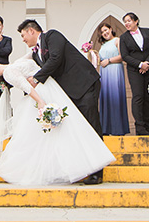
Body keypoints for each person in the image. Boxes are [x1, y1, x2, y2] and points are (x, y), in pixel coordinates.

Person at [0, 57, 115, 185]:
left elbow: (29, 56)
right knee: (58, 131)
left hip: (50, 87)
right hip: (43, 92)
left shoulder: (12, 66)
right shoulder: (8, 73)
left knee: (59, 131)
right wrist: (41, 102)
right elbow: (27, 88)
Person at [17, 18, 105, 184]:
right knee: (77, 129)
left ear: (31, 31)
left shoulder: (52, 36)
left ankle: (97, 172)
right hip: (69, 92)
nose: (23, 39)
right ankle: (84, 167)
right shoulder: (36, 54)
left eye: (23, 35)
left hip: (84, 84)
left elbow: (55, 59)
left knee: (91, 125)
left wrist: (36, 80)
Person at [118, 12, 149, 135]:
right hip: (135, 71)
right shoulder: (124, 38)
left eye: (129, 20)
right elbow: (125, 56)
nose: (127, 23)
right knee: (138, 97)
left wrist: (147, 63)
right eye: (125, 21)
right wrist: (140, 64)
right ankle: (140, 128)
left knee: (148, 97)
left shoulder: (147, 31)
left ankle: (148, 126)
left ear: (136, 21)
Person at [95, 23, 128, 135]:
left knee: (115, 97)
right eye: (102, 32)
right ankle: (106, 129)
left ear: (111, 29)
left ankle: (117, 129)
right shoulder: (102, 46)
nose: (105, 33)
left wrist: (109, 61)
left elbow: (122, 56)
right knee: (106, 98)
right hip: (104, 73)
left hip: (114, 70)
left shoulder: (117, 40)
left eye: (106, 30)